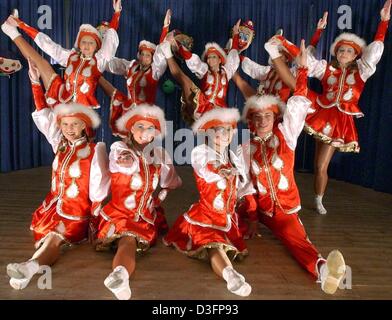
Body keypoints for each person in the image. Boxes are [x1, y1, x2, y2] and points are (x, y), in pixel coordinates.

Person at [238, 40, 347, 295]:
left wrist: (303, 72)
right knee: (226, 219)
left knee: (295, 239)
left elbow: (298, 102)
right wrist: (253, 219)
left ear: (274, 116)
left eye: (268, 115)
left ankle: (322, 270)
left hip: (284, 210)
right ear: (251, 120)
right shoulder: (245, 148)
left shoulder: (286, 134)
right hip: (259, 208)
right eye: (258, 116)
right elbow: (247, 186)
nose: (264, 120)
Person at [268, 0, 391, 214]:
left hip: (338, 121)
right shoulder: (327, 69)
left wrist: (383, 23)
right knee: (298, 87)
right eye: (341, 50)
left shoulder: (361, 71)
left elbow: (375, 51)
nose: (343, 53)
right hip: (320, 111)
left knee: (320, 165)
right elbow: (306, 61)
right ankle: (275, 51)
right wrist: (284, 42)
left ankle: (318, 200)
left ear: (355, 56)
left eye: (348, 51)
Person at [6, 59, 110, 290]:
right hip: (54, 207)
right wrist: (34, 81)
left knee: (55, 237)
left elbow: (99, 188)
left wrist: (94, 221)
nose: (69, 128)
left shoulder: (95, 150)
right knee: (51, 236)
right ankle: (25, 273)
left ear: (85, 126)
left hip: (77, 215)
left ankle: (29, 267)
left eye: (75, 124)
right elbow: (42, 112)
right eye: (65, 124)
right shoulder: (60, 144)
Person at [163, 103, 256, 297]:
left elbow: (242, 189)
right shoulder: (201, 152)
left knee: (222, 241)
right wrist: (222, 170)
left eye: (228, 130)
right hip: (205, 218)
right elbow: (208, 169)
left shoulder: (232, 156)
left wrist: (252, 215)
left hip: (227, 220)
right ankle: (231, 276)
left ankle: (230, 272)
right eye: (218, 130)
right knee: (214, 244)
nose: (224, 135)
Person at [93, 103, 182, 300]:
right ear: (130, 128)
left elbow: (172, 181)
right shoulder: (119, 148)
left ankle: (120, 275)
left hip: (145, 215)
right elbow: (123, 162)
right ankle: (120, 276)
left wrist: (163, 193)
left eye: (150, 128)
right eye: (139, 126)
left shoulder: (160, 155)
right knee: (128, 239)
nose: (145, 132)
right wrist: (126, 160)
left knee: (130, 239)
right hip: (120, 214)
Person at [1, 0, 121, 109]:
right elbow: (46, 44)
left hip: (80, 111)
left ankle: (10, 31)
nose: (86, 45)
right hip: (61, 99)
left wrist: (117, 13)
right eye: (83, 42)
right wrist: (20, 24)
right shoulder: (70, 56)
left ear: (97, 47)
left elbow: (110, 39)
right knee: (41, 63)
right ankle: (11, 31)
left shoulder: (99, 61)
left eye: (91, 43)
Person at [160, 20, 241, 124]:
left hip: (219, 111)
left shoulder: (227, 72)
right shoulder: (204, 71)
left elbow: (233, 55)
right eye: (208, 57)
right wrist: (177, 46)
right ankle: (167, 52)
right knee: (184, 80)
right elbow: (190, 58)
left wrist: (236, 35)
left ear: (220, 59)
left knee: (218, 133)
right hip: (203, 106)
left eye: (213, 57)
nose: (209, 60)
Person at [103, 9, 172, 108]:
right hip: (130, 113)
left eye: (148, 55)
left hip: (146, 116)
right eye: (142, 54)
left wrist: (165, 28)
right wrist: (117, 13)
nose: (144, 57)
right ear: (138, 55)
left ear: (153, 58)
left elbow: (161, 53)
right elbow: (108, 62)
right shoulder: (131, 66)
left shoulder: (155, 71)